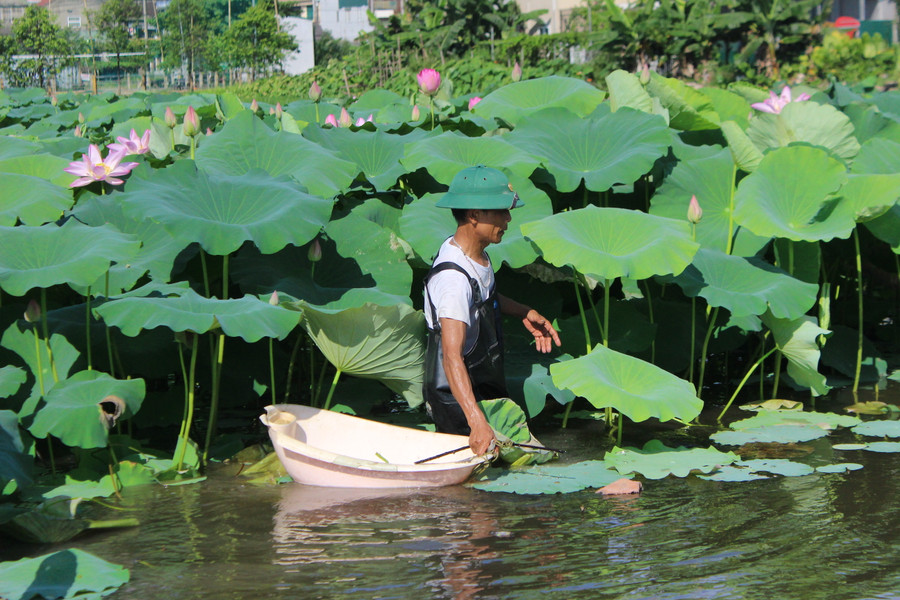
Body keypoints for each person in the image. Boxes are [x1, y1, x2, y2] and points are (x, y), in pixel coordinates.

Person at [423, 165, 561, 455]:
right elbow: (451, 357)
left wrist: (524, 312)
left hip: (483, 386)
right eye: (500, 211)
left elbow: (482, 295)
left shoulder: (477, 256)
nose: (508, 218)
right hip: (458, 401)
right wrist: (476, 421)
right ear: (474, 215)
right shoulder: (452, 281)